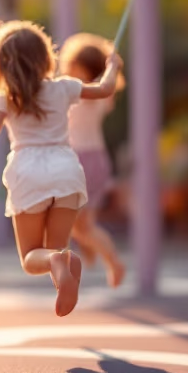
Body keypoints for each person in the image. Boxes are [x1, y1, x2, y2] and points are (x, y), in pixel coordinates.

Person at [0, 21, 122, 317]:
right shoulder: (64, 87)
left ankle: (58, 261)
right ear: (47, 58)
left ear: (1, 65)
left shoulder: (8, 97)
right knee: (58, 246)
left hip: (28, 172)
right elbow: (105, 88)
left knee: (32, 258)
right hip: (66, 169)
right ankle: (62, 259)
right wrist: (112, 66)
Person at [60, 33, 126, 287]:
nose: (70, 70)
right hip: (95, 160)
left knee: (74, 225)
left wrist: (111, 69)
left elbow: (102, 86)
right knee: (83, 225)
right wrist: (112, 68)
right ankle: (99, 258)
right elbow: (107, 86)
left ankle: (105, 260)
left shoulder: (85, 94)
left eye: (76, 66)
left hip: (82, 162)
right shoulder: (100, 97)